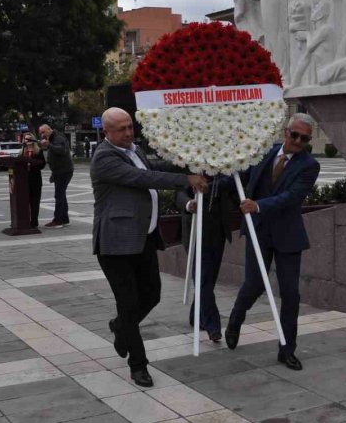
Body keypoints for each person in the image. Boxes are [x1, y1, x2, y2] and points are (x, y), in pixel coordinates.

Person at [91, 107, 208, 387]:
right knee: (129, 303)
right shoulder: (105, 157)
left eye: (130, 126)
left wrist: (192, 163)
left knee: (152, 295)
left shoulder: (134, 150)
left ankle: (120, 325)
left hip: (143, 238)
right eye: (121, 129)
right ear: (106, 132)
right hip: (116, 243)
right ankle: (138, 365)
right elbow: (144, 179)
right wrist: (185, 180)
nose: (129, 133)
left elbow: (156, 167)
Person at [224, 113, 321, 371]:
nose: (298, 141)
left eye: (304, 139)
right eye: (295, 135)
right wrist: (208, 183)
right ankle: (235, 320)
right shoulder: (264, 152)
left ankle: (287, 349)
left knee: (290, 294)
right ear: (285, 132)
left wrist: (258, 206)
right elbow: (240, 177)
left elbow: (292, 197)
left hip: (288, 236)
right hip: (258, 232)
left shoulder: (309, 165)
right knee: (254, 285)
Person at [176, 176, 234, 342]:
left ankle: (196, 316)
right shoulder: (191, 164)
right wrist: (189, 204)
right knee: (202, 278)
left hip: (218, 230)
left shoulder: (225, 168)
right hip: (195, 229)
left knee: (208, 278)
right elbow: (179, 194)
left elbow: (235, 186)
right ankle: (212, 324)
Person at [39, 124, 73, 228]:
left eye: (43, 132)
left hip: (64, 170)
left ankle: (58, 220)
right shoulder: (53, 138)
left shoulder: (58, 137)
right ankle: (64, 219)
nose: (42, 135)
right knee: (61, 195)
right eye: (40, 133)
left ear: (49, 129)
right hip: (60, 171)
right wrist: (53, 173)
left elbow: (61, 150)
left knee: (59, 195)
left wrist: (49, 144)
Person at [22, 133, 47, 228]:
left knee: (35, 203)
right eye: (25, 139)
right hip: (24, 181)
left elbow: (42, 164)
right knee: (24, 202)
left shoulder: (38, 151)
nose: (27, 141)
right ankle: (24, 221)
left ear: (33, 140)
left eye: (29, 139)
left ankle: (34, 222)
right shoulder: (22, 151)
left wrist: (32, 164)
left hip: (35, 180)